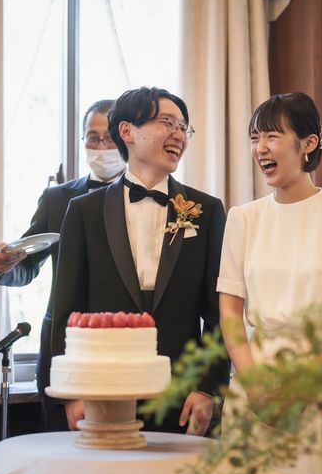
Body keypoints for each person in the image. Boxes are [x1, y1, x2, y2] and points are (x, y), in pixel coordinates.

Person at [217, 92, 322, 474]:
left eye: (272, 136)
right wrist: (253, 382)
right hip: (255, 383)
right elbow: (230, 308)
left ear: (308, 143)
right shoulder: (243, 218)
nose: (260, 149)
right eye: (255, 138)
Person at [51, 86, 230, 435]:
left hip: (182, 399)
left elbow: (218, 312)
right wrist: (72, 392)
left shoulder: (206, 211)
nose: (179, 134)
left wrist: (208, 387)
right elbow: (66, 310)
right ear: (127, 131)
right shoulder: (84, 211)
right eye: (168, 122)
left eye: (184, 127)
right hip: (101, 394)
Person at [0, 99, 126, 431]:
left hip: (125, 345)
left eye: (109, 138)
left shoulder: (145, 198)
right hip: (63, 347)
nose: (101, 147)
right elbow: (27, 263)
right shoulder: (57, 198)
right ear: (83, 141)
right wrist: (0, 265)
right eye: (93, 138)